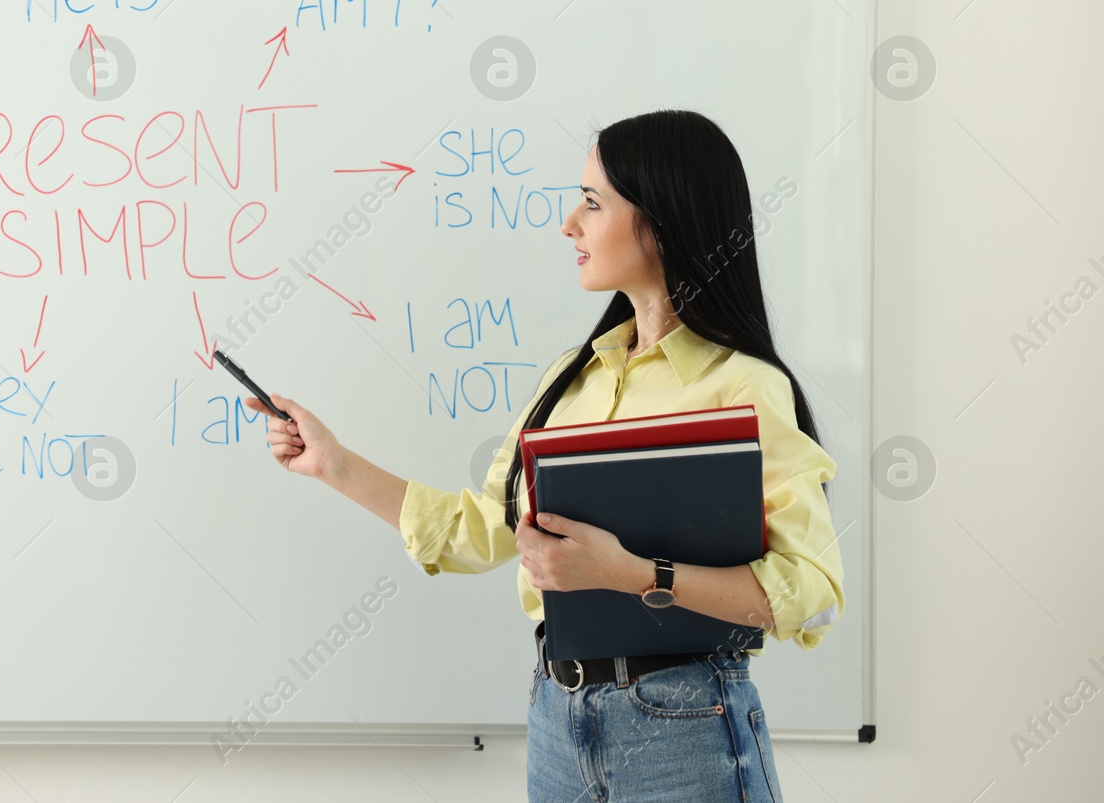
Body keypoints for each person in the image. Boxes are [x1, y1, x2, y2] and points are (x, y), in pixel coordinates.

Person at [242, 109, 843, 802]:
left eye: (592, 203)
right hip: (559, 719)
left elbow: (813, 595)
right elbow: (479, 528)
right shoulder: (571, 379)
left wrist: (634, 573)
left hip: (685, 723)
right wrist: (333, 461)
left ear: (661, 220)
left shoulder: (743, 387)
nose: (569, 224)